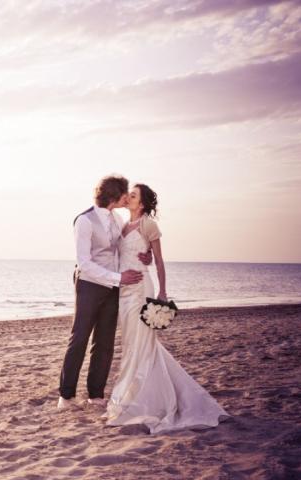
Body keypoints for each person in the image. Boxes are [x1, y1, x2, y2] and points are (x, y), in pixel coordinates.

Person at [101, 183, 231, 434]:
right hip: (124, 292)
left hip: (141, 289)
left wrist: (162, 291)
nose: (128, 197)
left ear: (142, 203)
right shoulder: (121, 224)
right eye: (129, 194)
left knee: (142, 343)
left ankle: (142, 401)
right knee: (130, 345)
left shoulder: (148, 224)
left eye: (133, 195)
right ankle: (129, 396)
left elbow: (158, 260)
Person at [58, 175, 151, 411]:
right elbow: (84, 263)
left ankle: (95, 394)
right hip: (89, 284)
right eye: (125, 193)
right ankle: (66, 397)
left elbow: (124, 249)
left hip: (112, 288)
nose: (127, 197)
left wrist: (145, 256)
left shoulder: (117, 219)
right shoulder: (84, 221)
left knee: (105, 341)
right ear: (116, 196)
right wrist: (119, 278)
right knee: (79, 338)